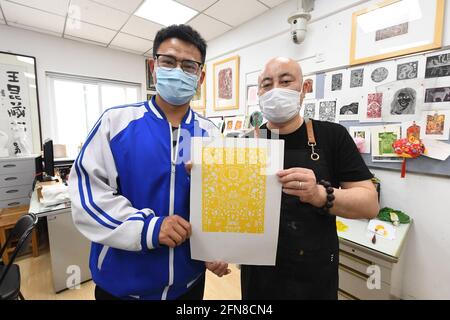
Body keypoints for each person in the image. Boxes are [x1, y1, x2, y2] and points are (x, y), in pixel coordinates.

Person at [69, 24, 230, 300]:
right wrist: (150, 228)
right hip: (122, 286)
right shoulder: (115, 123)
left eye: (189, 66)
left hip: (189, 284)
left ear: (200, 78)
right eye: (168, 61)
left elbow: (220, 204)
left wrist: (217, 247)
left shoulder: (211, 133)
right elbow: (87, 198)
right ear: (154, 68)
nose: (178, 71)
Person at [241, 57, 379, 300]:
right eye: (267, 84)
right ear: (259, 93)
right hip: (259, 273)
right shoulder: (246, 143)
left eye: (285, 81)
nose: (275, 90)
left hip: (314, 272)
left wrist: (319, 194)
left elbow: (369, 204)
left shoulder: (332, 136)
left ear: (303, 89)